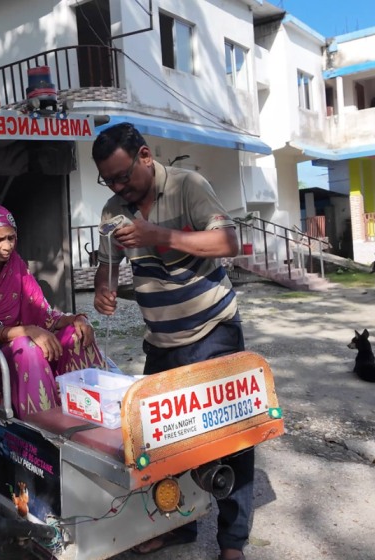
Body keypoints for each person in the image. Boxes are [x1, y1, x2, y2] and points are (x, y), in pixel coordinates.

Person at [91, 123, 253, 560]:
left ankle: (232, 542)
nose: (118, 187)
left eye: (123, 176)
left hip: (213, 331)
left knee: (229, 437)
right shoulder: (112, 210)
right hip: (161, 340)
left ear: (145, 156)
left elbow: (228, 242)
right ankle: (176, 524)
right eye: (109, 180)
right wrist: (104, 289)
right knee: (160, 441)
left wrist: (159, 236)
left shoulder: (188, 186)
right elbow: (107, 265)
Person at [0, 204, 106, 419]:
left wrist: (77, 319)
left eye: (11, 238)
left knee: (76, 333)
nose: (8, 246)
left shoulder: (16, 266)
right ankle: (43, 422)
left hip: (21, 342)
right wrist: (28, 331)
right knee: (26, 346)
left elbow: (44, 314)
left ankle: (92, 409)